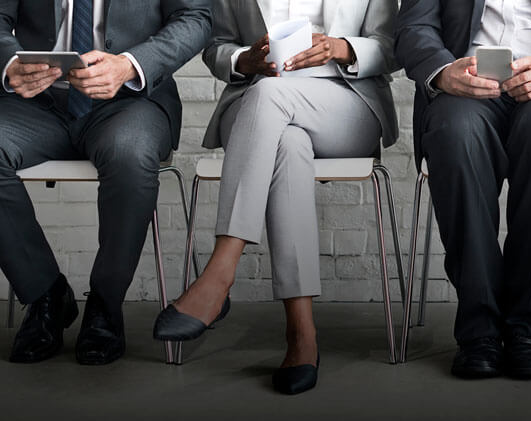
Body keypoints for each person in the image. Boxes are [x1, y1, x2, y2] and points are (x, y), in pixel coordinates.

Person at [153, 0, 399, 395]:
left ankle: (220, 274)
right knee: (287, 140)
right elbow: (217, 48)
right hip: (256, 107)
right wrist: (243, 61)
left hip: (346, 100)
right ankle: (301, 333)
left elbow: (392, 46)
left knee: (272, 97)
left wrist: (340, 48)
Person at [0, 0, 212, 365]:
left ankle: (105, 303)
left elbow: (197, 18)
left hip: (130, 101)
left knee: (130, 156)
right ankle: (45, 295)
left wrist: (131, 64)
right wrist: (9, 61)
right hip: (36, 102)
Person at [395, 0, 531, 379]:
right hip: (466, 87)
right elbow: (412, 27)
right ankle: (478, 331)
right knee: (457, 136)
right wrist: (442, 71)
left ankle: (528, 331)